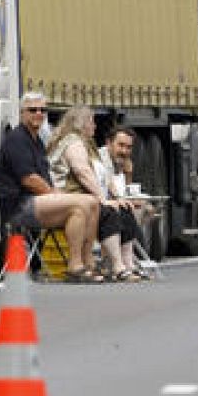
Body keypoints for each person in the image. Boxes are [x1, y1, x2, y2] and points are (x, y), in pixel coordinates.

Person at [0, 92, 101, 282]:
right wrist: (55, 194)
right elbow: (29, 179)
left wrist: (56, 194)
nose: (38, 114)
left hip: (36, 202)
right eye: (33, 110)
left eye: (43, 110)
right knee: (79, 205)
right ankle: (75, 266)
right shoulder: (17, 139)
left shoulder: (36, 140)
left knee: (92, 202)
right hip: (18, 206)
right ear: (22, 113)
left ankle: (86, 261)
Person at [46, 106, 138, 282]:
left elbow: (103, 176)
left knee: (125, 209)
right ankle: (117, 267)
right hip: (70, 199)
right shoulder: (72, 142)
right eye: (92, 121)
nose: (95, 125)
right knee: (108, 212)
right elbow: (82, 172)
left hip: (87, 198)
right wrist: (103, 199)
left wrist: (118, 198)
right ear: (82, 123)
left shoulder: (88, 144)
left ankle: (128, 265)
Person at [97, 126, 158, 277]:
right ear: (109, 143)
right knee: (126, 210)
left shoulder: (121, 161)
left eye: (129, 147)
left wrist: (128, 173)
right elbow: (108, 189)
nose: (124, 151)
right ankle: (119, 261)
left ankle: (127, 259)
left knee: (144, 209)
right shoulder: (101, 159)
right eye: (121, 145)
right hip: (98, 203)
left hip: (111, 203)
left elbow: (124, 191)